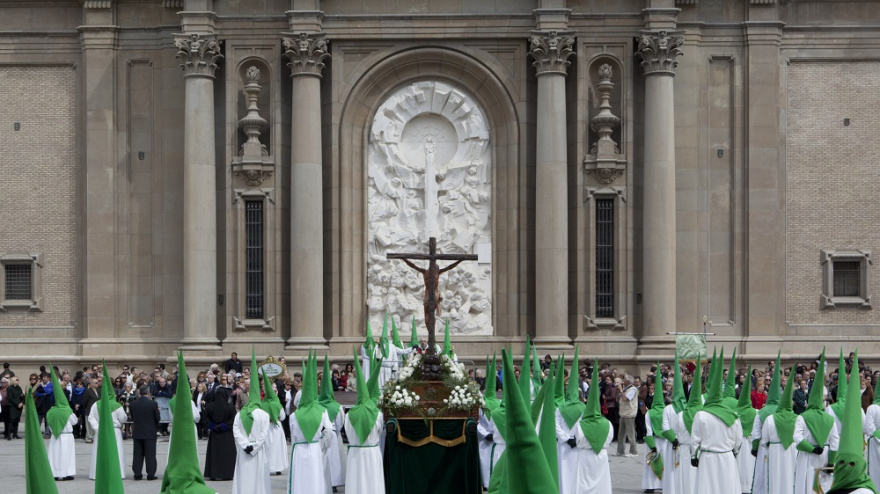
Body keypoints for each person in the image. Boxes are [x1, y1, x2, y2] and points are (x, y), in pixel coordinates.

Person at [689, 348, 742, 494]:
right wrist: (734, 451)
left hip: (707, 458)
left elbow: (694, 440)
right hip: (727, 457)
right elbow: (738, 441)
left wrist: (694, 456)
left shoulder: (701, 415)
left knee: (708, 488)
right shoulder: (733, 416)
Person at [827, 350, 878, 494]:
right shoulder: (858, 410)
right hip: (855, 448)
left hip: (838, 450)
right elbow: (864, 429)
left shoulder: (830, 409)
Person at [288, 351, 335, 494]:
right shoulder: (321, 412)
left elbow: (293, 436)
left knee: (300, 481)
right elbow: (329, 432)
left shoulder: (294, 415)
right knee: (315, 479)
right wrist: (324, 446)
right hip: (315, 449)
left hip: (299, 450)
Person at [793, 351, 839, 494]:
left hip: (808, 456)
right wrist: (831, 463)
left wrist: (811, 448)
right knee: (824, 487)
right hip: (825, 456)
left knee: (806, 485)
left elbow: (797, 438)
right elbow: (835, 442)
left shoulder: (802, 417)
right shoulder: (830, 419)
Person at [344, 353, 385, 494]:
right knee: (372, 483)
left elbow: (347, 431)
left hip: (354, 453)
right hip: (372, 452)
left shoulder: (349, 415)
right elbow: (380, 431)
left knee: (356, 483)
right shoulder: (377, 414)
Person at [232, 350, 271, 494]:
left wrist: (245, 445)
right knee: (258, 480)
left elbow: (236, 431)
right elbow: (264, 434)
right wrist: (254, 448)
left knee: (244, 477)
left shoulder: (240, 414)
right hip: (258, 452)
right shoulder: (264, 415)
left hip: (244, 451)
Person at [572, 359, 613, 493]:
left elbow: (578, 441)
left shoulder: (580, 424)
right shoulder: (607, 424)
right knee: (602, 485)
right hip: (601, 457)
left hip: (585, 457)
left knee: (583, 484)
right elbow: (609, 440)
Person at [760, 370, 798, 494]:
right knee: (790, 478)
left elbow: (764, 440)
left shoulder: (770, 419)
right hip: (792, 451)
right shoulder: (797, 419)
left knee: (775, 479)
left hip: (774, 451)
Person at [88, 374, 128, 480]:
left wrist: (97, 428)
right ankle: (117, 473)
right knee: (116, 452)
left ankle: (97, 473)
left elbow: (91, 418)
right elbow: (123, 419)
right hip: (114, 431)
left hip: (101, 431)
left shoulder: (96, 404)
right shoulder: (117, 405)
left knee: (99, 452)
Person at [558, 348, 586, 494]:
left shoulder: (560, 407)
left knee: (565, 472)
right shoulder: (584, 407)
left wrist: (565, 438)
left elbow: (556, 426)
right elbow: (585, 425)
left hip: (565, 444)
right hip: (577, 443)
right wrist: (576, 439)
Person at [46, 368, 77, 481]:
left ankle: (54, 473)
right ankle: (67, 473)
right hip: (67, 435)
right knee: (67, 455)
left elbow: (48, 422)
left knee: (55, 455)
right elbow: (75, 421)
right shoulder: (67, 411)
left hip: (55, 435)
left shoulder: (51, 411)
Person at [204, 386, 237, 480]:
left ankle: (213, 474)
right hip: (226, 434)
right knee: (226, 454)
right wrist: (223, 426)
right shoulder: (230, 407)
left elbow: (204, 420)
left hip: (214, 434)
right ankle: (227, 473)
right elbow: (233, 420)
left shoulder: (210, 406)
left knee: (214, 454)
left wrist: (213, 427)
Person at [642, 367, 665, 493]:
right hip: (665, 441)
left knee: (652, 462)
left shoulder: (649, 413)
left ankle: (650, 486)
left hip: (653, 441)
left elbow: (648, 431)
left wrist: (652, 446)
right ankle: (664, 485)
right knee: (665, 463)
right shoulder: (667, 411)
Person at [130, 385, 160, 480]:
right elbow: (157, 419)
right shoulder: (153, 404)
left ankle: (137, 473)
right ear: (148, 393)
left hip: (138, 431)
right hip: (150, 432)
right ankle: (151, 474)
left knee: (137, 454)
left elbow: (132, 417)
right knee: (150, 454)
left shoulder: (133, 404)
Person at [736, 365, 758, 494]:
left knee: (739, 466)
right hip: (750, 442)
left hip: (739, 443)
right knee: (750, 466)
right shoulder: (756, 412)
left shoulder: (734, 412)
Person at [616, 375, 639, 457]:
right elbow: (618, 399)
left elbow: (625, 399)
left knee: (630, 433)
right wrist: (619, 390)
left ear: (629, 381)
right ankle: (620, 451)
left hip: (629, 413)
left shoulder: (632, 389)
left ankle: (633, 451)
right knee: (621, 434)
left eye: (624, 379)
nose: (622, 381)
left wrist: (621, 390)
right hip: (623, 413)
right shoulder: (625, 389)